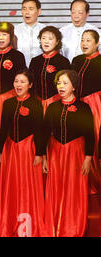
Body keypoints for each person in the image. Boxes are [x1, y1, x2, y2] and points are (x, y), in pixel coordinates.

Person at [42, 70, 94, 237]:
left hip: (76, 153)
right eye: (58, 83)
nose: (61, 86)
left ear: (74, 86)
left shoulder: (83, 108)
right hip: (55, 153)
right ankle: (54, 225)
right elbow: (44, 133)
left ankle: (72, 226)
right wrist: (43, 157)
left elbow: (90, 135)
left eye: (65, 83)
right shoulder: (52, 107)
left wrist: (88, 158)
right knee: (55, 189)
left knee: (74, 189)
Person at [0, 69, 47, 237]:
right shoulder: (8, 103)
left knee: (27, 186)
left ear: (30, 85)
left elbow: (40, 130)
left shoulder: (35, 104)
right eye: (16, 81)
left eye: (23, 82)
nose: (18, 85)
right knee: (11, 186)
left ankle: (26, 227)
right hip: (11, 149)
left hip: (28, 149)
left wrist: (39, 153)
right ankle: (10, 222)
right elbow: (3, 129)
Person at [71, 29, 101, 193]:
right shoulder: (76, 60)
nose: (84, 43)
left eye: (89, 40)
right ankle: (80, 182)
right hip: (76, 104)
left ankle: (95, 184)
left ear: (97, 43)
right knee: (77, 143)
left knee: (94, 140)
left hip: (95, 104)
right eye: (83, 40)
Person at [0, 22, 27, 133]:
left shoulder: (18, 56)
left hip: (11, 98)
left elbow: (22, 80)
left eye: (4, 34)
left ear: (11, 36)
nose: (1, 38)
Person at [29, 26, 70, 113]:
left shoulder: (63, 62)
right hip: (37, 104)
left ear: (57, 41)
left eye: (50, 39)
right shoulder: (35, 61)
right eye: (43, 38)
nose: (46, 41)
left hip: (56, 104)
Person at [15, 0, 46, 66]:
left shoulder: (46, 30)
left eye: (31, 9)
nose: (27, 12)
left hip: (41, 70)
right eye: (24, 9)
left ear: (39, 11)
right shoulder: (15, 31)